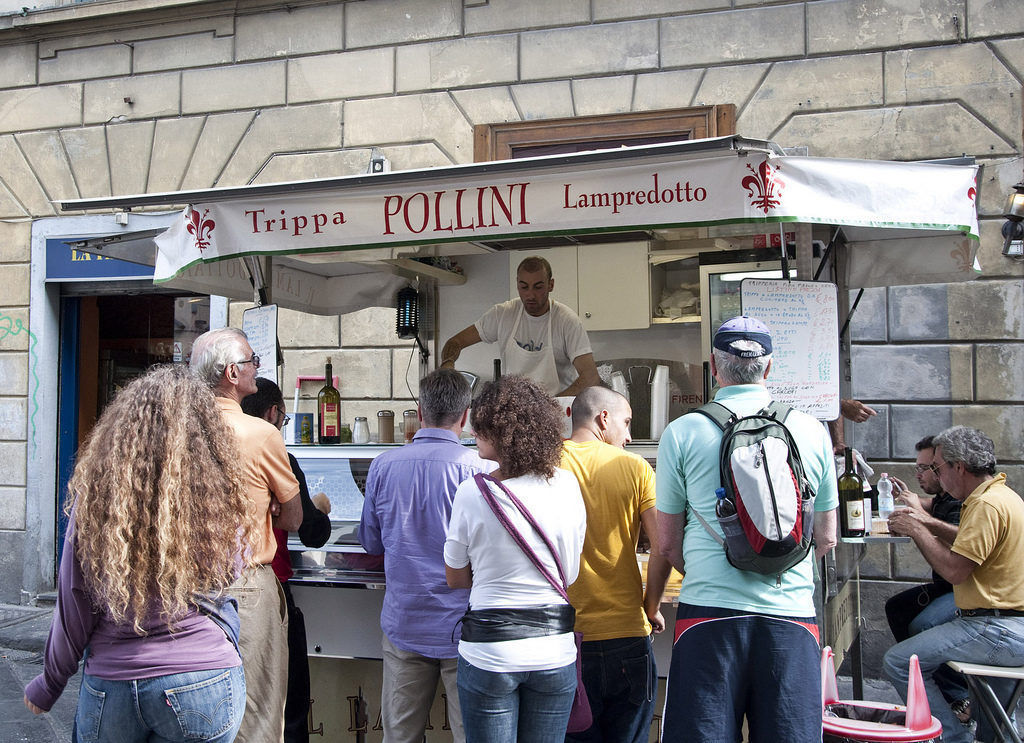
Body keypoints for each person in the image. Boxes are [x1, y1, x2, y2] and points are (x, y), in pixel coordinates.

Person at [23, 364, 260, 742]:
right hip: (203, 677)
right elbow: (229, 571)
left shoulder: (98, 500)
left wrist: (50, 683)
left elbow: (74, 601)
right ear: (204, 432)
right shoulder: (218, 494)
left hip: (115, 680)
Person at [655, 315, 838, 742]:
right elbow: (826, 537)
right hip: (791, 614)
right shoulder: (812, 430)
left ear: (714, 367)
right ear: (769, 368)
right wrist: (778, 563)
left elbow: (666, 544)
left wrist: (716, 565)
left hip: (707, 616)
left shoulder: (681, 432)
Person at [444, 375, 587, 742]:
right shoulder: (567, 485)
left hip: (490, 654)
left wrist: (492, 575)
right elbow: (567, 574)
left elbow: (455, 577)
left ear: (502, 432)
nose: (474, 430)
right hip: (553, 650)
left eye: (482, 424)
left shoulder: (471, 494)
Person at [358, 369, 490, 743]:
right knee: (471, 735)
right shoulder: (481, 470)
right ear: (465, 416)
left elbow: (371, 543)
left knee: (400, 736)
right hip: (466, 628)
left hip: (405, 623)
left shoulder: (383, 465)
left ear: (419, 411)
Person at [191, 327, 302, 743]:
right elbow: (293, 518)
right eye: (253, 360)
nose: (258, 366)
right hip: (246, 584)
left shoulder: (178, 430)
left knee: (201, 703)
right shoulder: (261, 434)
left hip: (188, 581)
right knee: (256, 710)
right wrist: (272, 505)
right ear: (233, 373)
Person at [884, 426, 1024, 743]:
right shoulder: (1001, 495)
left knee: (899, 662)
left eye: (937, 468)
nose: (937, 477)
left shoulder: (985, 506)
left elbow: (955, 571)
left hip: (995, 627)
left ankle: (952, 736)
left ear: (958, 467)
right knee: (994, 734)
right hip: (1010, 625)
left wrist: (918, 529)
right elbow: (968, 542)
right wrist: (924, 523)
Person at [559, 385, 673, 743]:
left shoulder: (545, 464)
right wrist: (651, 606)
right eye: (626, 423)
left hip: (565, 638)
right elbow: (665, 546)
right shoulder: (635, 467)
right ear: (603, 419)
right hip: (626, 635)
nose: (629, 435)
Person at [241, 377, 333, 743]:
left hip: (219, 590)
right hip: (269, 589)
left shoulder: (216, 447)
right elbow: (310, 531)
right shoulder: (277, 454)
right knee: (289, 704)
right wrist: (321, 509)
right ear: (274, 412)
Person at [883, 435, 968, 721]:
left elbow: (954, 560)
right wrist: (917, 503)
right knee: (897, 609)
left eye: (928, 467)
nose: (920, 473)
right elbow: (936, 506)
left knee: (924, 625)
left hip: (964, 589)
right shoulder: (947, 497)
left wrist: (918, 520)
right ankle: (941, 696)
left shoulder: (966, 501)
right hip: (949, 585)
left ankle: (958, 699)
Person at [440, 256, 601, 396]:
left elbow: (591, 376)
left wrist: (553, 405)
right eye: (524, 287)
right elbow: (455, 343)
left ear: (551, 285)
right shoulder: (502, 314)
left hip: (557, 416)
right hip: (514, 416)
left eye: (538, 287)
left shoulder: (567, 321)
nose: (530, 295)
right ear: (517, 285)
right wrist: (448, 366)